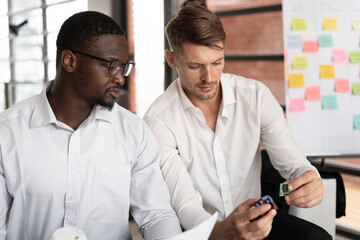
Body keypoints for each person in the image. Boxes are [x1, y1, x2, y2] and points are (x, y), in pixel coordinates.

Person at [144, 2, 332, 240]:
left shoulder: (255, 96)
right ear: (171, 59)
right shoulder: (158, 120)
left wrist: (308, 177)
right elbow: (185, 205)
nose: (209, 78)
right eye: (195, 66)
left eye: (217, 62)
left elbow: (295, 165)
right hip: (202, 230)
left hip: (256, 222)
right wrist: (224, 231)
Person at [0, 11, 182, 240]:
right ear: (70, 61)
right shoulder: (6, 133)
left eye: (124, 66)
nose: (120, 78)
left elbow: (156, 215)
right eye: (111, 65)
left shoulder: (134, 132)